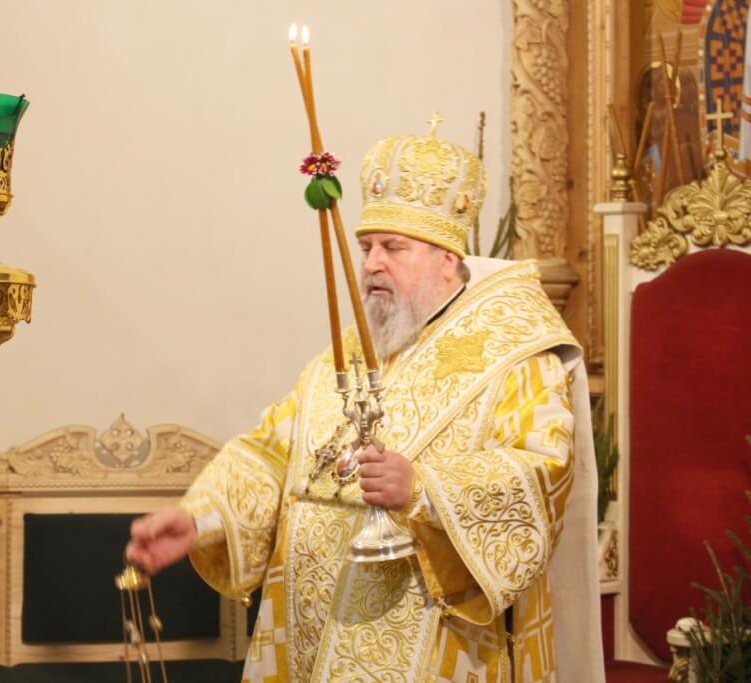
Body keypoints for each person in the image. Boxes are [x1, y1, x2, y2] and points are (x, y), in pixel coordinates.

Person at [127, 131, 604, 682]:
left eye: (393, 248)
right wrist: (202, 519)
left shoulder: (512, 350)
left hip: (429, 645)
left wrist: (424, 489)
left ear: (447, 258)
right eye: (366, 247)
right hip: (304, 636)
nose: (373, 263)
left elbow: (541, 470)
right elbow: (272, 453)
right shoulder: (350, 349)